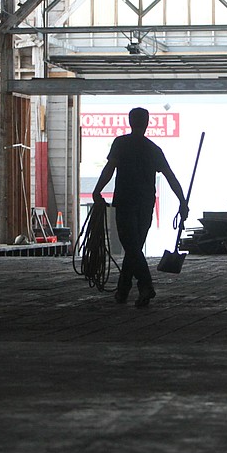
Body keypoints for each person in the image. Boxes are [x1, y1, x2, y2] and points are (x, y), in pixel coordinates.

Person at [92, 107, 189, 307]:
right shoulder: (153, 149)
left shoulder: (121, 144)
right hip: (145, 205)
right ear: (146, 123)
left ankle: (145, 285)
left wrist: (97, 190)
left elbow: (109, 168)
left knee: (132, 247)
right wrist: (182, 201)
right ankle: (123, 290)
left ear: (130, 122)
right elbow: (170, 177)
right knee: (134, 248)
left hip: (126, 202)